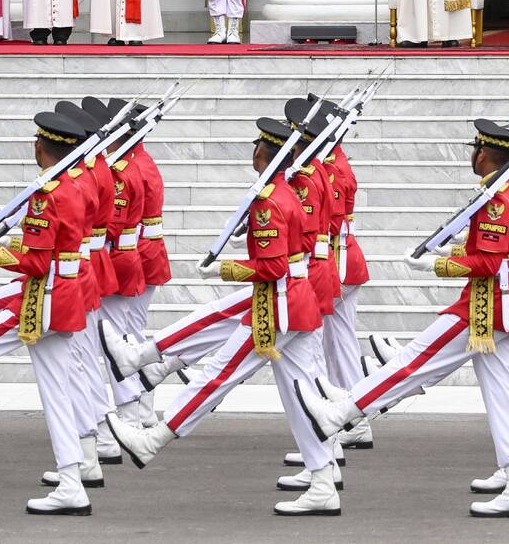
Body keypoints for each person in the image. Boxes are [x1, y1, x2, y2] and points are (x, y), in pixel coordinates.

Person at [296, 118, 509, 519]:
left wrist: (437, 265)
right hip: (506, 300)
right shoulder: (506, 188)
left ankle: (340, 413)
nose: (472, 156)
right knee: (503, 394)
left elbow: (488, 262)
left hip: (488, 304)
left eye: (475, 149)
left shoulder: (499, 197)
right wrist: (454, 247)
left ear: (485, 153)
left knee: (413, 363)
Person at [105, 117, 338, 517]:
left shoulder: (270, 202)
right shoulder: (280, 193)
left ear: (269, 153)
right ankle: (322, 479)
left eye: (259, 147)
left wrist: (226, 269)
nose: (254, 153)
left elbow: (272, 268)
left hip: (277, 306)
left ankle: (155, 437)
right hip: (292, 302)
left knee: (218, 373)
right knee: (301, 394)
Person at [0, 112, 90, 515]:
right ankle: (72, 482)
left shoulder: (49, 194)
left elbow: (35, 263)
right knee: (56, 393)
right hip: (66, 295)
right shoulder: (78, 183)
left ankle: (74, 482)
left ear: (40, 147)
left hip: (40, 300)